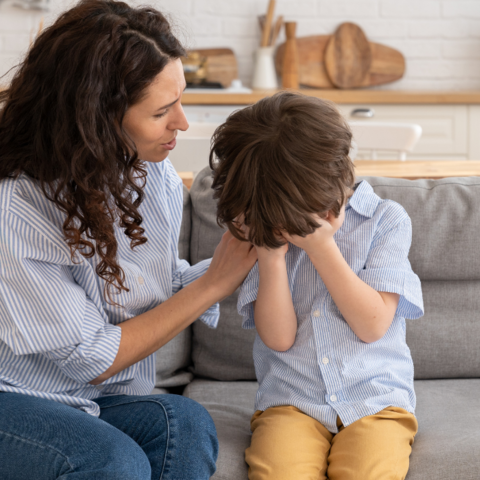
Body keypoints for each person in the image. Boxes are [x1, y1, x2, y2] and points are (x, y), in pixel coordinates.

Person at [0, 1, 257, 479]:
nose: (182, 122)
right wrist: (211, 286)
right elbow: (91, 357)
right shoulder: (17, 205)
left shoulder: (150, 172)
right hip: (13, 397)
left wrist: (248, 258)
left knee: (184, 423)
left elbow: (148, 282)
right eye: (161, 110)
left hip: (94, 400)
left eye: (181, 98)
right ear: (94, 119)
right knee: (113, 462)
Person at [209, 91, 424, 480]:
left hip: (375, 402)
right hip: (291, 402)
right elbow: (278, 339)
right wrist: (271, 256)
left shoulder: (385, 220)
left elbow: (373, 325)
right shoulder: (269, 227)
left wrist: (322, 246)